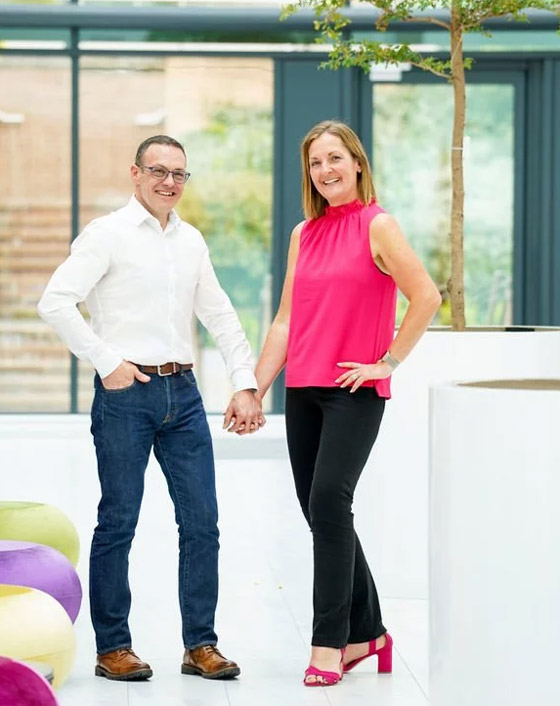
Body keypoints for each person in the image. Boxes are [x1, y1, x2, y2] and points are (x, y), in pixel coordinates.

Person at [38, 135, 264, 682]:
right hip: (125, 395)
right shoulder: (107, 234)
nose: (169, 182)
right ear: (135, 173)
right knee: (118, 522)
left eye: (179, 173)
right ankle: (113, 646)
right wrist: (106, 360)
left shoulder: (191, 241)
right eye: (158, 170)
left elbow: (221, 315)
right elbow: (56, 301)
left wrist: (244, 382)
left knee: (202, 522)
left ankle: (200, 645)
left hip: (182, 394)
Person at [255, 120, 441, 687]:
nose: (325, 170)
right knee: (321, 512)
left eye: (335, 158)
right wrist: (254, 388)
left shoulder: (378, 225)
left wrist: (388, 361)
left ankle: (329, 643)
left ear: (357, 162)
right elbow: (285, 321)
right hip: (303, 391)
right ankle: (371, 634)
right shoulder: (303, 233)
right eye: (315, 162)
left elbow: (426, 296)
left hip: (354, 392)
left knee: (329, 504)